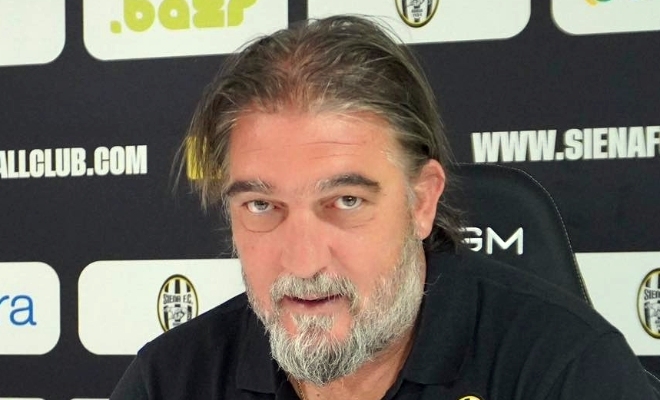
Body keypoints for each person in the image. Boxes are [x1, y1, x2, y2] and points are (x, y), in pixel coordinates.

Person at [110, 15, 657, 400]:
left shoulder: (566, 371)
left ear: (421, 201)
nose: (302, 263)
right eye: (261, 205)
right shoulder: (170, 380)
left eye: (345, 201)